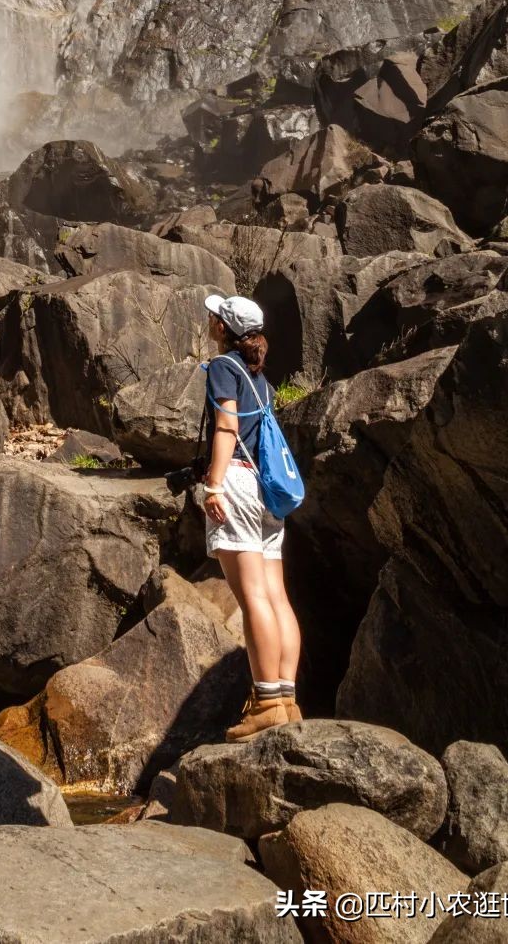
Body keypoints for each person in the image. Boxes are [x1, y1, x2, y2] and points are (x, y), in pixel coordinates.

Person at [200, 292, 302, 741]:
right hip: (266, 490)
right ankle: (286, 699)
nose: (211, 320)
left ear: (225, 329)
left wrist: (213, 484)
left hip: (238, 483)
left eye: (216, 317)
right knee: (277, 596)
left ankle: (264, 703)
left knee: (253, 598)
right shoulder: (263, 378)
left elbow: (227, 427)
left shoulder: (224, 367)